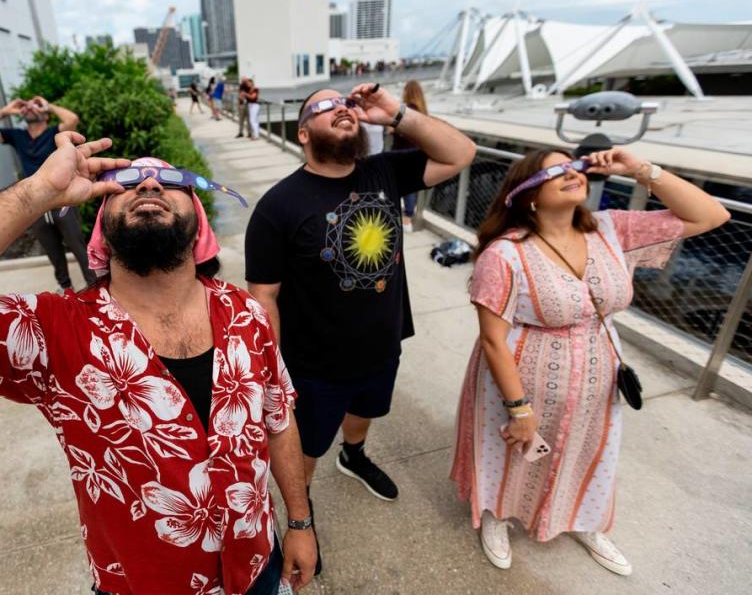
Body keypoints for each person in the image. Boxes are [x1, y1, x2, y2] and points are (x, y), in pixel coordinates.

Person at [0, 136, 318, 594]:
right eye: (126, 184)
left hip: (259, 564)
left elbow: (278, 421)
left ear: (201, 221)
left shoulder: (246, 314)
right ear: (100, 230)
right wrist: (35, 194)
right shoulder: (54, 330)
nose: (148, 185)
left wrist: (299, 522)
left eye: (170, 182)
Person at [451, 148, 730, 575]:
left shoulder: (611, 229)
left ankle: (582, 519)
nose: (571, 174)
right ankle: (496, 515)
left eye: (574, 167)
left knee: (589, 450)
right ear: (528, 195)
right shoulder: (504, 254)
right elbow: (492, 340)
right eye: (555, 172)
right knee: (514, 450)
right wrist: (519, 409)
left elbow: (710, 216)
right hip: (522, 379)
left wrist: (639, 170)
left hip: (598, 371)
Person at [245, 84, 475, 573]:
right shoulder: (277, 206)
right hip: (313, 364)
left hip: (382, 343)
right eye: (324, 106)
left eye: (346, 103)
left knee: (367, 410)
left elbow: (461, 154)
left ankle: (354, 455)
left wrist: (396, 114)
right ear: (303, 132)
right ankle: (298, 517)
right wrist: (272, 372)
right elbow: (263, 295)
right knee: (303, 450)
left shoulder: (383, 172)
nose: (342, 108)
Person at [0, 96, 96, 291]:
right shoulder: (17, 136)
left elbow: (72, 119)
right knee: (52, 250)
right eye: (27, 106)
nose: (30, 108)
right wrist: (6, 111)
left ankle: (94, 286)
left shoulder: (54, 133)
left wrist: (48, 105)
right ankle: (65, 287)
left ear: (46, 116)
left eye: (36, 106)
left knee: (77, 245)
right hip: (35, 203)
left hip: (62, 200)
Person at [390, 80, 429, 232]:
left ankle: (394, 216)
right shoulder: (422, 111)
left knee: (394, 186)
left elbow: (391, 128)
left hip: (400, 153)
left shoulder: (403, 109)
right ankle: (408, 219)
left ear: (407, 92)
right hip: (417, 153)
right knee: (411, 187)